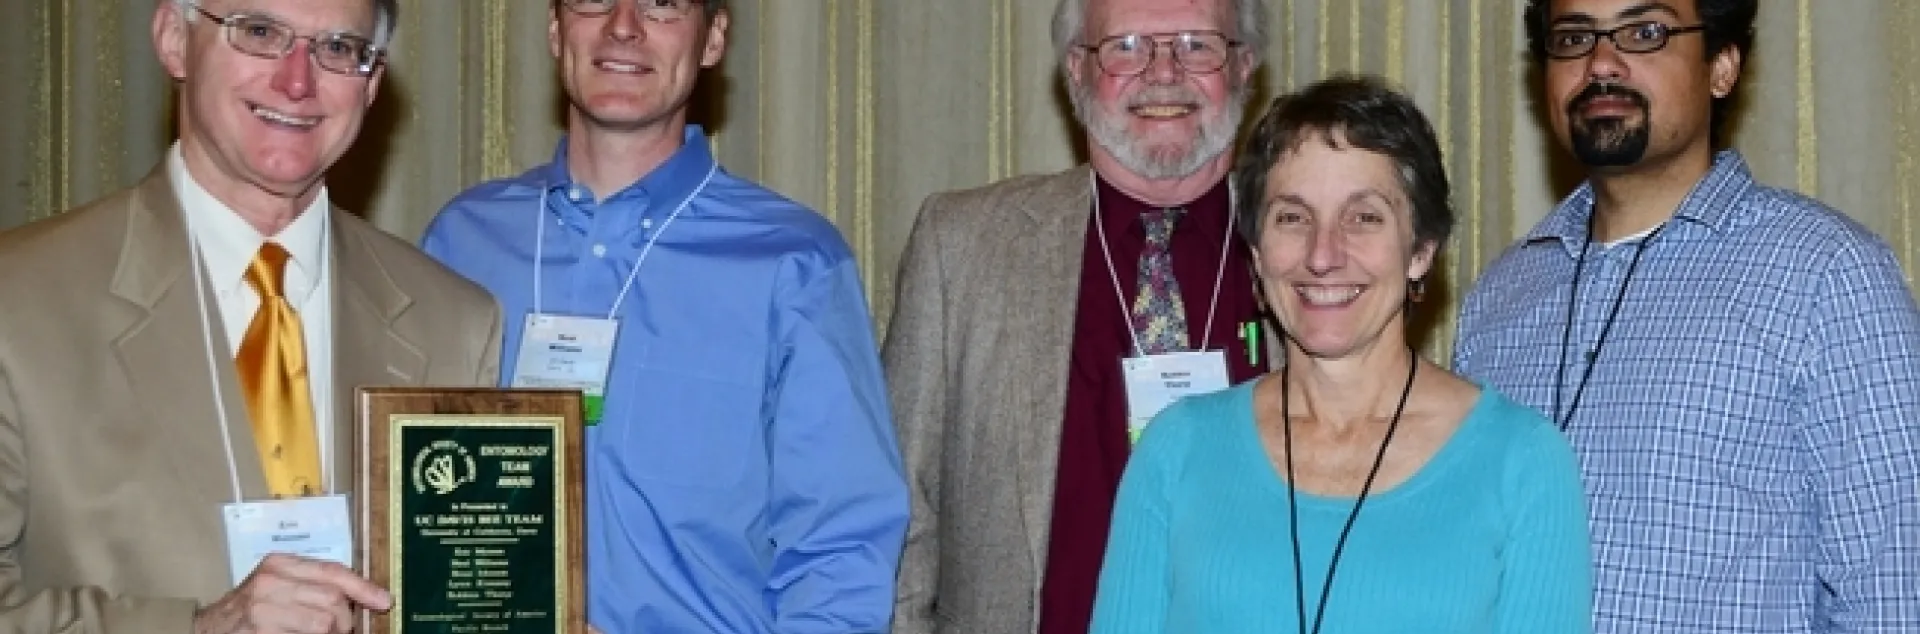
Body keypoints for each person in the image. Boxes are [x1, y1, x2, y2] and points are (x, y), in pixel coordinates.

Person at [0, 0, 505, 633]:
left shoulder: (455, 322)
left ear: (372, 83)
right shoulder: (18, 303)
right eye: (260, 33)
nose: (297, 80)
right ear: (174, 40)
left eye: (339, 48)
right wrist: (201, 628)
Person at [418, 1, 908, 633]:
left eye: (662, 4)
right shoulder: (463, 241)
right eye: (594, 0)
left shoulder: (794, 264)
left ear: (713, 40)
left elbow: (843, 554)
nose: (623, 26)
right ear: (554, 29)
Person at [1453, 0, 1920, 631]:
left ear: (1722, 66)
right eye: (1572, 37)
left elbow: (1894, 598)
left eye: (1644, 32)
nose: (1601, 63)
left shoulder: (1826, 276)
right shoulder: (1500, 297)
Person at [1087, 74, 1594, 634]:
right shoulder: (1175, 450)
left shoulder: (1521, 462)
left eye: (1364, 217)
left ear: (1421, 249)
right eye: (1292, 218)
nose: (1323, 255)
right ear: (1255, 252)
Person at [884, 0, 1275, 632]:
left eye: (1195, 44)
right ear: (1076, 71)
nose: (1162, 72)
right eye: (1125, 46)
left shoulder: (1311, 256)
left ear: (1243, 66)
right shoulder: (961, 247)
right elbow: (899, 514)